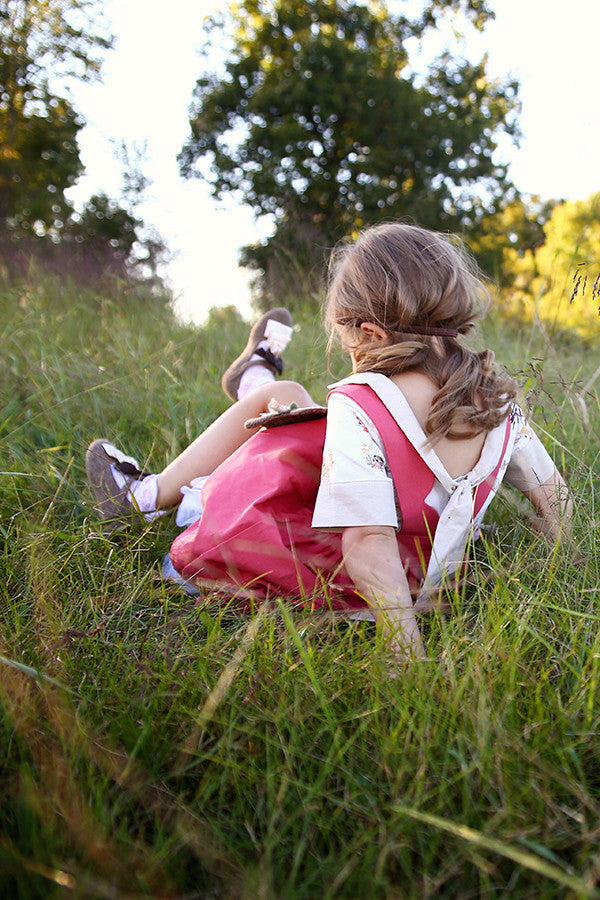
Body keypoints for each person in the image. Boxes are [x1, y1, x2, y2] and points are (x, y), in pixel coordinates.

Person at [86, 223, 572, 662]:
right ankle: (255, 379)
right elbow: (554, 499)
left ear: (370, 331)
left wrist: (404, 651)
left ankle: (144, 494)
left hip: (331, 580)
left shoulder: (362, 403)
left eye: (343, 335)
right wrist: (567, 568)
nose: (343, 347)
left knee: (277, 418)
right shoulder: (499, 403)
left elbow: (367, 541)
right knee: (291, 403)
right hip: (435, 581)